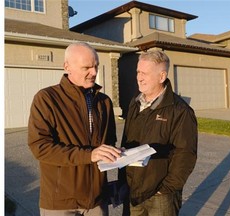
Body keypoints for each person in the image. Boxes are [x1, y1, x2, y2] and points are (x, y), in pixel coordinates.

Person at [28, 42, 121, 216]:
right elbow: (40, 147)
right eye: (87, 67)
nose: (94, 73)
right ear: (67, 67)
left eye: (96, 66)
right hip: (61, 203)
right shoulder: (47, 99)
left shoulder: (104, 101)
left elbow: (108, 141)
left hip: (96, 200)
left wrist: (115, 153)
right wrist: (89, 155)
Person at [120, 50, 198, 216]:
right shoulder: (135, 103)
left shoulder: (180, 111)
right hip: (133, 191)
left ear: (162, 77)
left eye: (145, 73)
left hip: (161, 196)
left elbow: (186, 154)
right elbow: (126, 142)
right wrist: (123, 181)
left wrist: (167, 189)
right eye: (138, 72)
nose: (139, 77)